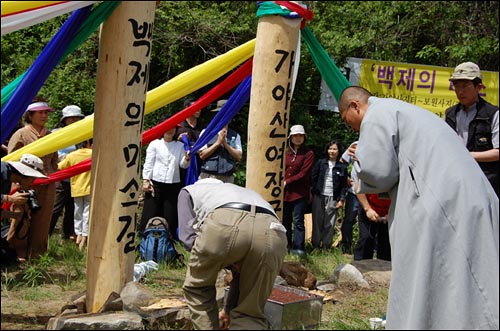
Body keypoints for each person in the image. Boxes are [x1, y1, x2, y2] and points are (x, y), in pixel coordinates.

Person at [338, 85, 499, 330]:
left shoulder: (376, 115)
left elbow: (378, 172)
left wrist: (359, 163)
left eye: (345, 119)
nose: (349, 126)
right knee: (469, 275)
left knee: (438, 273)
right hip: (465, 196)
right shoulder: (404, 110)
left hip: (443, 203)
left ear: (355, 106)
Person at [177, 178, 287, 330]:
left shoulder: (188, 191)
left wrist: (213, 262)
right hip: (273, 230)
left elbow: (188, 238)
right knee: (250, 310)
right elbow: (240, 276)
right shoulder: (240, 191)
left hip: (225, 220)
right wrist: (228, 310)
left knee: (198, 289)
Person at [7, 97, 59, 259]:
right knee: (20, 219)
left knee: (42, 221)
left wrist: (50, 176)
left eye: (46, 113)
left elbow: (54, 161)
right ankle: (17, 253)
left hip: (47, 184)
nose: (44, 116)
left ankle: (37, 256)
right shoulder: (21, 134)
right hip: (24, 184)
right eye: (40, 113)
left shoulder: (50, 135)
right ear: (30, 115)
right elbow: (11, 160)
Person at [445, 62, 499, 197]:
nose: (460, 91)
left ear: (478, 87)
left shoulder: (493, 114)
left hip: (486, 185)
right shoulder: (450, 114)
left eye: (464, 86)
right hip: (456, 181)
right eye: (456, 86)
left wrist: (468, 156)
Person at [140, 125, 190, 239]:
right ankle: (144, 238)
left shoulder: (180, 146)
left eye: (173, 128)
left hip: (173, 184)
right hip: (155, 183)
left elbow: (182, 165)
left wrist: (187, 159)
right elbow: (149, 164)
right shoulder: (155, 144)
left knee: (170, 214)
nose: (170, 129)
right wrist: (146, 180)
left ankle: (169, 240)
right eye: (168, 127)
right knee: (150, 212)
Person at [1, 154, 48, 263]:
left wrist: (17, 216)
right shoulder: (2, 171)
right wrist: (9, 198)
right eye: (33, 179)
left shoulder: (8, 179)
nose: (32, 183)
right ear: (25, 174)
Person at [49, 105, 85, 240]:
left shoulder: (84, 134)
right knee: (56, 206)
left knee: (72, 207)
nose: (74, 120)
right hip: (60, 173)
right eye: (71, 118)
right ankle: (46, 234)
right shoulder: (55, 133)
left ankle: (69, 233)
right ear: (64, 120)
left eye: (77, 118)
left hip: (77, 175)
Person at [310, 139, 348, 250]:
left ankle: (326, 246)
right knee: (317, 221)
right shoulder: (321, 163)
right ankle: (315, 245)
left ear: (339, 151)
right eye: (330, 149)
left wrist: (341, 199)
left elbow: (343, 186)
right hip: (319, 195)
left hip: (333, 197)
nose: (332, 151)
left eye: (334, 149)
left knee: (329, 223)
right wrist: (312, 193)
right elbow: (313, 178)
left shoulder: (342, 167)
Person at [283, 124, 314, 256]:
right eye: (295, 135)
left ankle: (298, 247)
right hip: (284, 193)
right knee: (285, 220)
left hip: (299, 193)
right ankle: (285, 246)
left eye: (300, 135)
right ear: (290, 137)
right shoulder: (284, 151)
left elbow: (304, 173)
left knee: (298, 221)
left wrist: (286, 181)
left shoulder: (308, 153)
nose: (298, 138)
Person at [58, 139, 92, 250]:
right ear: (89, 143)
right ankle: (85, 236)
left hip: (76, 188)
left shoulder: (72, 155)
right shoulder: (94, 154)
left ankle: (78, 235)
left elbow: (60, 167)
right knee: (87, 212)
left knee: (78, 212)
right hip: (90, 188)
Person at [198, 100, 243, 184]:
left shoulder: (235, 135)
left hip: (227, 178)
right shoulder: (206, 133)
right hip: (208, 177)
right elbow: (202, 155)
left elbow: (239, 156)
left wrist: (225, 144)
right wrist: (217, 143)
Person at [351, 168, 391, 261]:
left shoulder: (397, 167)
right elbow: (358, 186)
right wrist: (367, 208)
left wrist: (392, 212)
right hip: (369, 207)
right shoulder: (370, 165)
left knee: (386, 244)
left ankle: (385, 270)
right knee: (366, 239)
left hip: (389, 210)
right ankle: (360, 268)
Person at [176, 97, 203, 183]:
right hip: (181, 166)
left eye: (200, 107)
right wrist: (179, 139)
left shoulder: (203, 127)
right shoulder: (179, 126)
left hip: (199, 166)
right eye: (196, 107)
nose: (199, 109)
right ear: (187, 109)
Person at [339, 141, 360, 254]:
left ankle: (367, 247)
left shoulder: (379, 143)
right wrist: (345, 177)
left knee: (368, 221)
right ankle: (346, 246)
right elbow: (342, 162)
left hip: (372, 191)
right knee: (349, 219)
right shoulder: (356, 144)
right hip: (354, 191)